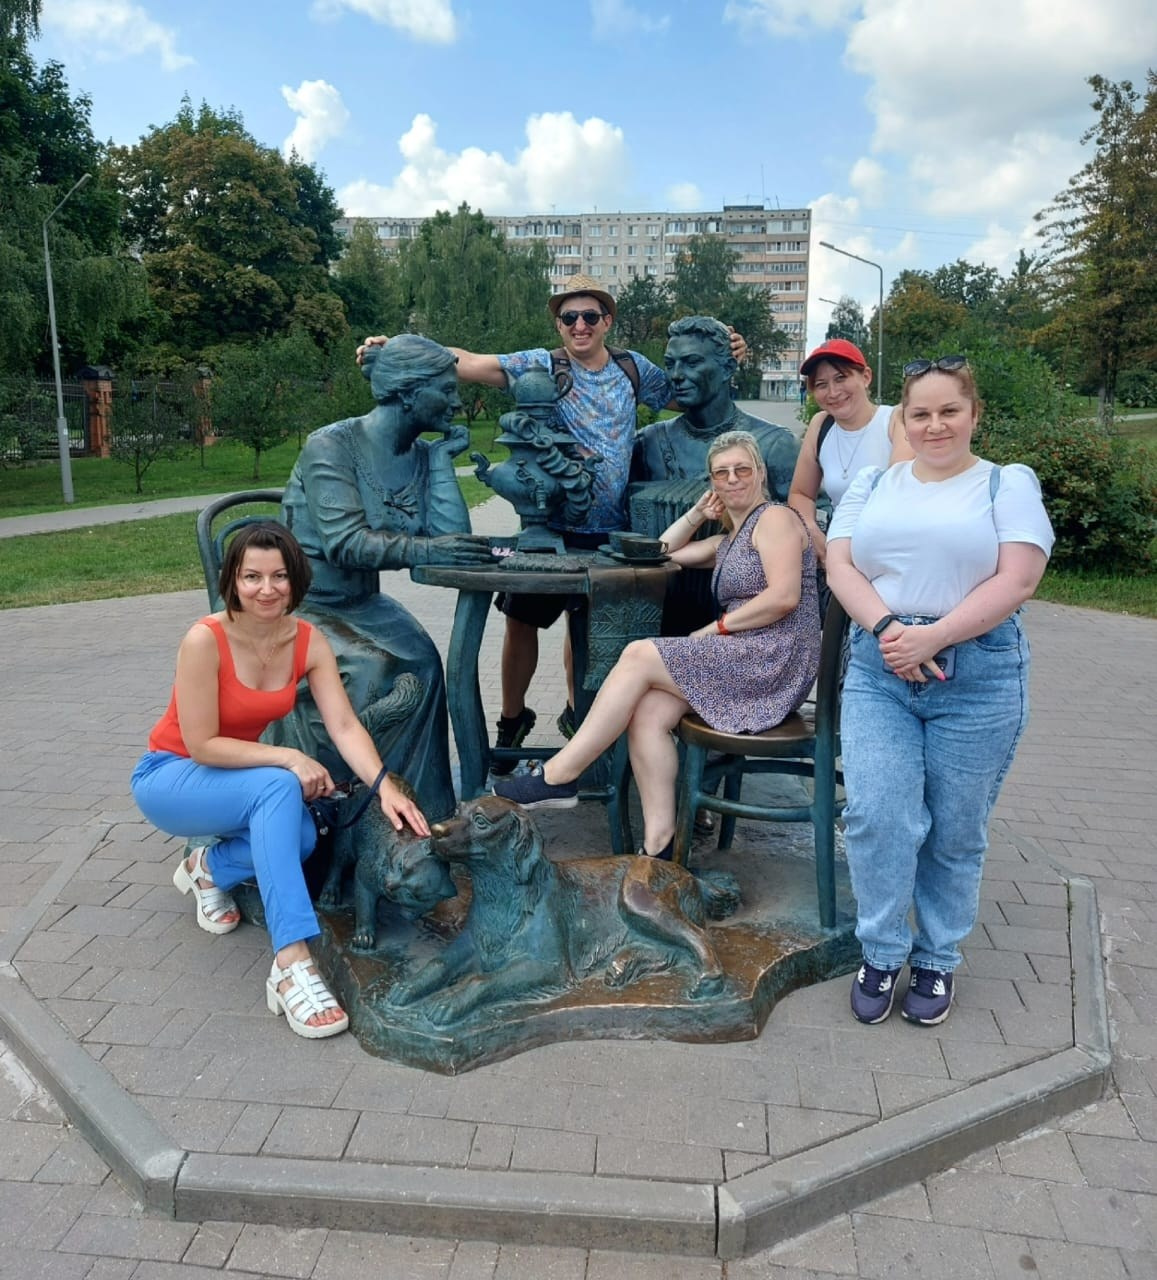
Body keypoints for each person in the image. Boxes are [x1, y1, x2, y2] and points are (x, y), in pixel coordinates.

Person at [360, 277, 749, 765]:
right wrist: (398, 351)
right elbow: (469, 362)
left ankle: (577, 716)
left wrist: (733, 352)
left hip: (611, 528)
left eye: (590, 316)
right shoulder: (541, 364)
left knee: (585, 625)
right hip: (550, 524)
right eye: (569, 318)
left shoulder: (633, 368)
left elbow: (695, 388)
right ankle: (512, 720)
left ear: (607, 321)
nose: (580, 325)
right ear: (559, 325)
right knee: (521, 620)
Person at [131, 522, 430, 1041]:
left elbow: (343, 725)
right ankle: (292, 964)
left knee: (302, 837)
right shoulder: (205, 639)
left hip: (236, 779)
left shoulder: (307, 641)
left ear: (296, 580)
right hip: (170, 777)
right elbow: (201, 744)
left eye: (279, 576)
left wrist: (385, 786)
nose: (266, 589)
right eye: (252, 576)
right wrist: (289, 757)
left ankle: (208, 870)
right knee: (278, 787)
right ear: (233, 580)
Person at [825, 356, 1054, 1027]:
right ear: (903, 419)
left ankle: (936, 958)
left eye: (949, 410)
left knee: (953, 830)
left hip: (976, 673)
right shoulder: (873, 483)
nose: (934, 425)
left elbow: (1018, 578)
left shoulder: (1006, 483)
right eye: (919, 413)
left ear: (973, 414)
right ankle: (880, 950)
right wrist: (889, 629)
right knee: (878, 815)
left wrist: (936, 635)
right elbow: (839, 564)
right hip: (880, 667)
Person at [492, 430, 821, 860]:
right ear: (712, 483)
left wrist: (717, 628)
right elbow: (659, 551)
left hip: (773, 660)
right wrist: (697, 513)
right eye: (721, 473)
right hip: (747, 658)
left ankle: (560, 774)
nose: (732, 479)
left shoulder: (774, 519)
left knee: (639, 653)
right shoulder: (728, 541)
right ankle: (660, 847)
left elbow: (784, 597)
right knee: (647, 712)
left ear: (760, 472)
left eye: (742, 469)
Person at [281, 334, 493, 820]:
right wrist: (427, 549)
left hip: (362, 603)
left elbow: (453, 540)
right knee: (375, 667)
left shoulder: (421, 454)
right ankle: (340, 807)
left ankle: (424, 813)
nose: (457, 402)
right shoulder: (330, 446)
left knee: (424, 661)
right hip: (302, 604)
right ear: (409, 392)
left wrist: (441, 463)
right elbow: (344, 542)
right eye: (447, 389)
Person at [631, 315, 800, 633]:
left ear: (728, 368)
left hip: (748, 620)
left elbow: (811, 525)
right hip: (656, 610)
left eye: (692, 362)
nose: (677, 375)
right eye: (671, 364)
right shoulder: (648, 443)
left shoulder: (775, 444)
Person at [788, 339, 912, 566]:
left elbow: (896, 489)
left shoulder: (895, 420)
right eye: (821, 384)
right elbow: (801, 493)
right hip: (839, 556)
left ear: (866, 377)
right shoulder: (821, 425)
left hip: (894, 553)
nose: (833, 392)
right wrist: (812, 531)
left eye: (841, 378)